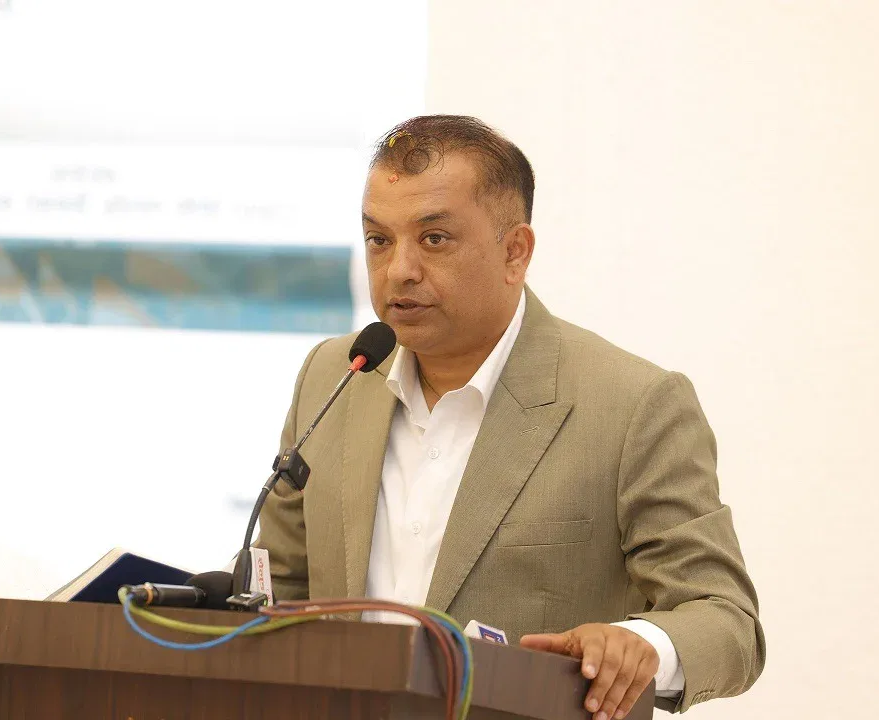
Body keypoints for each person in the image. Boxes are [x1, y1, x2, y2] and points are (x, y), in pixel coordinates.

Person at [256, 115, 764, 718]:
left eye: (434, 239)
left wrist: (643, 645)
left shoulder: (632, 404)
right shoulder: (334, 376)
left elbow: (727, 620)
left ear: (515, 252)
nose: (399, 270)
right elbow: (277, 590)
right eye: (379, 240)